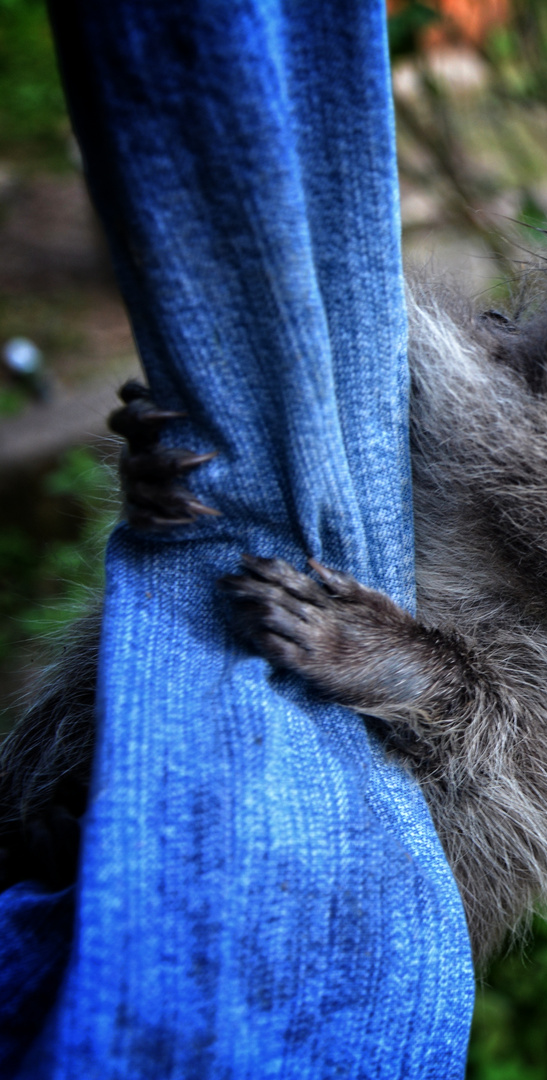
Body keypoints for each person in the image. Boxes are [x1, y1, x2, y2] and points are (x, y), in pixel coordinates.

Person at [0, 3, 474, 1074]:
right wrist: (162, 490)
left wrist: (421, 673)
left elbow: (504, 804)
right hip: (88, 815)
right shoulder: (420, 433)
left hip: (309, 923)